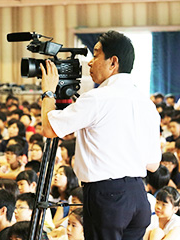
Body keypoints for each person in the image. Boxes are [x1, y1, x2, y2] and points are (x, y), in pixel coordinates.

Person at [41, 30, 161, 239]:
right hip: (138, 197)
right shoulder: (147, 103)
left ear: (113, 62)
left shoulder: (98, 98)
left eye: (95, 55)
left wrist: (49, 91)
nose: (89, 62)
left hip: (107, 197)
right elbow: (153, 165)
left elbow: (49, 129)